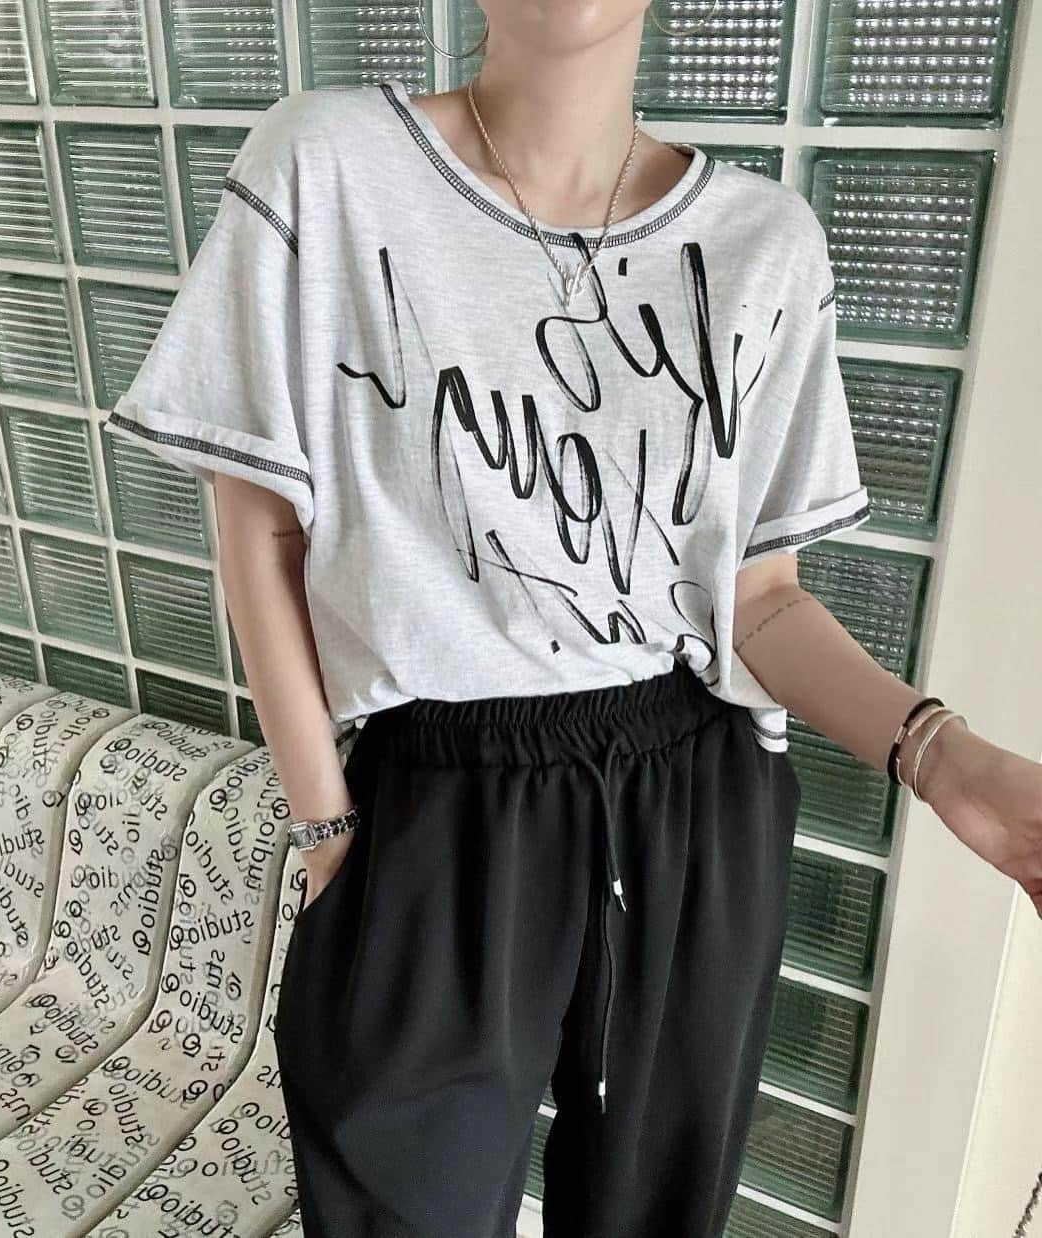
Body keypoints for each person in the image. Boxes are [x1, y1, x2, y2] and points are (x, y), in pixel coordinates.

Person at [101, 3, 1042, 1235]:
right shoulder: (326, 165)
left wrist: (943, 757)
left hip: (695, 793)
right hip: (436, 791)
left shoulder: (766, 243)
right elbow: (260, 533)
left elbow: (760, 599)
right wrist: (329, 830)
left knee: (656, 1207)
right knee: (403, 1202)